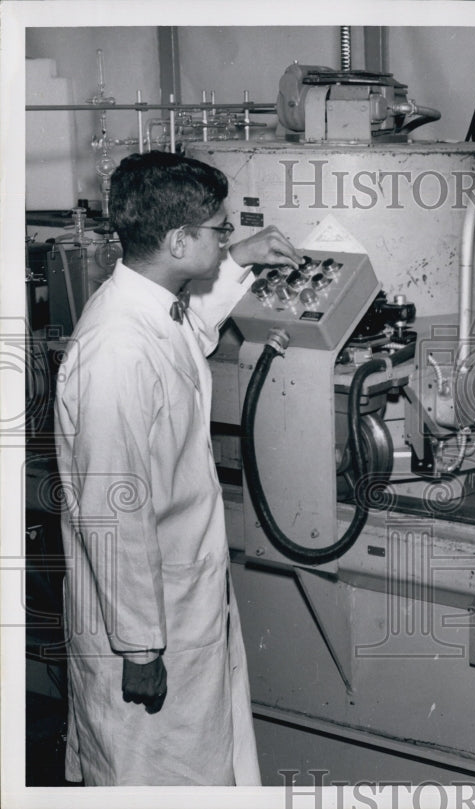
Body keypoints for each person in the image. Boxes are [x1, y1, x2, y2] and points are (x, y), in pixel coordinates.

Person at [54, 150, 303, 785]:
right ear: (177, 241)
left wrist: (239, 259)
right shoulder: (115, 351)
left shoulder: (148, 309)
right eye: (220, 229)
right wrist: (140, 646)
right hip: (145, 624)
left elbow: (185, 335)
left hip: (179, 599)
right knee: (152, 775)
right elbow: (112, 509)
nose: (227, 237)